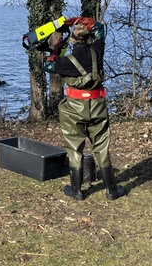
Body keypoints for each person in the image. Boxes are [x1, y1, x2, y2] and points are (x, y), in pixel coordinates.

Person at [44, 17, 126, 201]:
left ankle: (77, 191)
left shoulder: (65, 62)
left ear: (72, 40)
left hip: (73, 108)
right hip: (97, 106)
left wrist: (55, 51)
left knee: (75, 147)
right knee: (102, 147)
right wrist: (79, 20)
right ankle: (111, 190)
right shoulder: (98, 51)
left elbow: (48, 66)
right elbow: (100, 28)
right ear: (88, 37)